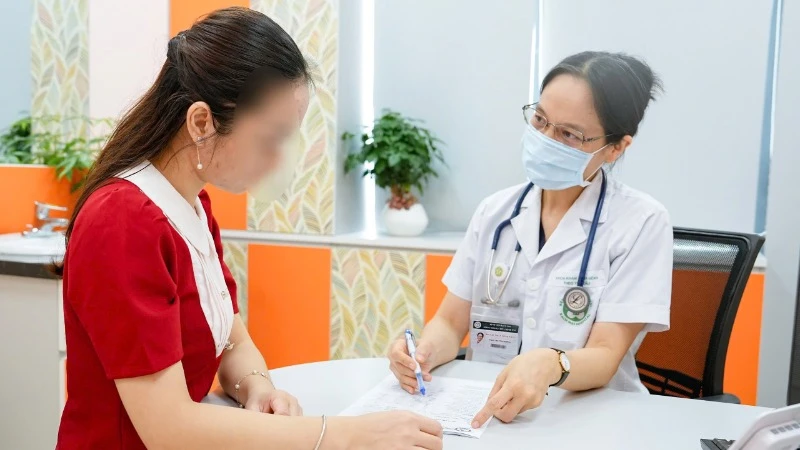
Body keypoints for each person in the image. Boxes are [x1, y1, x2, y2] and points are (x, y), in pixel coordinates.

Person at [56, 7, 442, 450]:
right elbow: (168, 428)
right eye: (271, 138)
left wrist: (257, 386)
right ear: (202, 122)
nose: (278, 160)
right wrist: (344, 434)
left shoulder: (193, 204)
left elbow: (232, 339)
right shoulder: (122, 221)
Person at [388, 51, 672, 429]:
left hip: (589, 419)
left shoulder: (640, 222)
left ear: (616, 147)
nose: (545, 139)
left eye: (569, 134)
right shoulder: (496, 212)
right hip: (488, 413)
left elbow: (606, 355)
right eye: (540, 119)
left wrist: (553, 363)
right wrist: (420, 354)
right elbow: (450, 321)